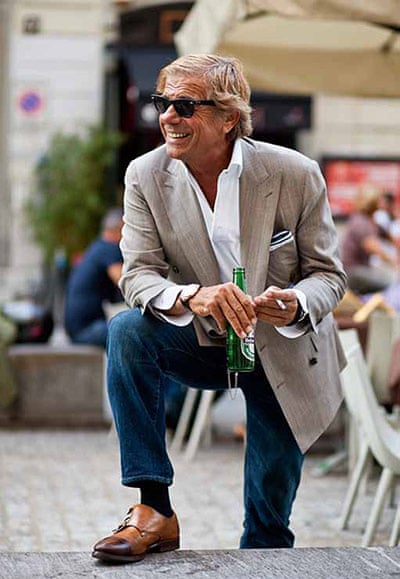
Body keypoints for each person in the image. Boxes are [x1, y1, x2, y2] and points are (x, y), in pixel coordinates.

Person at [92, 54, 347, 563]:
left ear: (229, 117)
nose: (168, 116)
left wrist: (295, 302)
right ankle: (153, 508)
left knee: (268, 524)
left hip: (284, 347)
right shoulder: (145, 174)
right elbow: (138, 274)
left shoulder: (295, 173)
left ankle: (262, 563)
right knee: (128, 332)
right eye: (162, 103)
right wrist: (192, 295)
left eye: (185, 106)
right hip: (203, 338)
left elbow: (329, 275)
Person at [64, 207, 124, 348]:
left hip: (77, 328)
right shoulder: (109, 248)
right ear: (121, 227)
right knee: (132, 332)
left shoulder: (96, 248)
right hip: (87, 329)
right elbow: (125, 282)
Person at [341, 187, 398, 295]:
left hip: (359, 269)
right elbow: (373, 247)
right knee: (391, 279)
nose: (383, 203)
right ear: (373, 202)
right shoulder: (361, 222)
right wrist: (394, 262)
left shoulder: (370, 220)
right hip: (353, 272)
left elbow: (388, 236)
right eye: (380, 200)